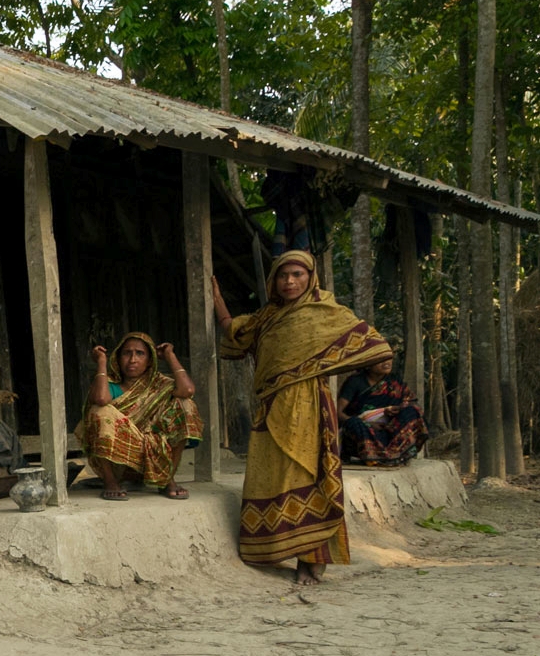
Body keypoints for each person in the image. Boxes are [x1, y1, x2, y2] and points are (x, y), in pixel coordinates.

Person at [212, 249, 392, 586]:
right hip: (270, 407)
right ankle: (279, 548)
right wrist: (218, 300)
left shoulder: (325, 310)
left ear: (311, 277)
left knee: (309, 474)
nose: (290, 281)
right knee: (274, 476)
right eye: (283, 276)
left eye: (297, 275)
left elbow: (376, 346)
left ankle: (312, 561)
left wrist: (317, 366)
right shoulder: (267, 317)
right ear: (274, 281)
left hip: (310, 405)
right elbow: (236, 334)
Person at [78, 331, 201, 500]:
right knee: (100, 411)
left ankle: (166, 479)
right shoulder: (110, 385)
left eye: (140, 354)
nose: (133, 360)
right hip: (118, 460)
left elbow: (187, 391)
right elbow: (100, 399)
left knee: (185, 405)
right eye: (127, 353)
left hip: (155, 454)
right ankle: (110, 482)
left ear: (150, 360)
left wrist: (169, 355)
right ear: (118, 358)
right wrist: (101, 362)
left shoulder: (160, 385)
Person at [338, 355, 428, 466]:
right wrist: (367, 423)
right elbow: (338, 412)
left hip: (388, 433)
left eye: (389, 358)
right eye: (381, 359)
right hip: (362, 433)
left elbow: (409, 402)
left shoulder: (394, 381)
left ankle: (395, 455)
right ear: (368, 362)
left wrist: (395, 410)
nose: (387, 362)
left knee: (413, 411)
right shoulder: (355, 382)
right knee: (354, 423)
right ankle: (373, 457)